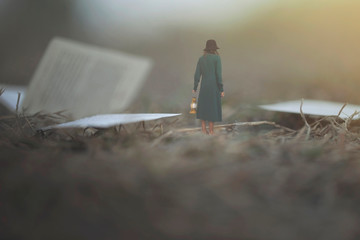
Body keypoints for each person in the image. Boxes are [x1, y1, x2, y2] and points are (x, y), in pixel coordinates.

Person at [193, 39, 225, 135]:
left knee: (203, 107)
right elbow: (218, 75)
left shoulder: (201, 59)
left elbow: (197, 74)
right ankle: (211, 131)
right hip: (213, 86)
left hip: (204, 86)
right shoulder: (217, 58)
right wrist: (221, 89)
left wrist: (195, 86)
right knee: (212, 107)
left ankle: (203, 130)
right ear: (215, 48)